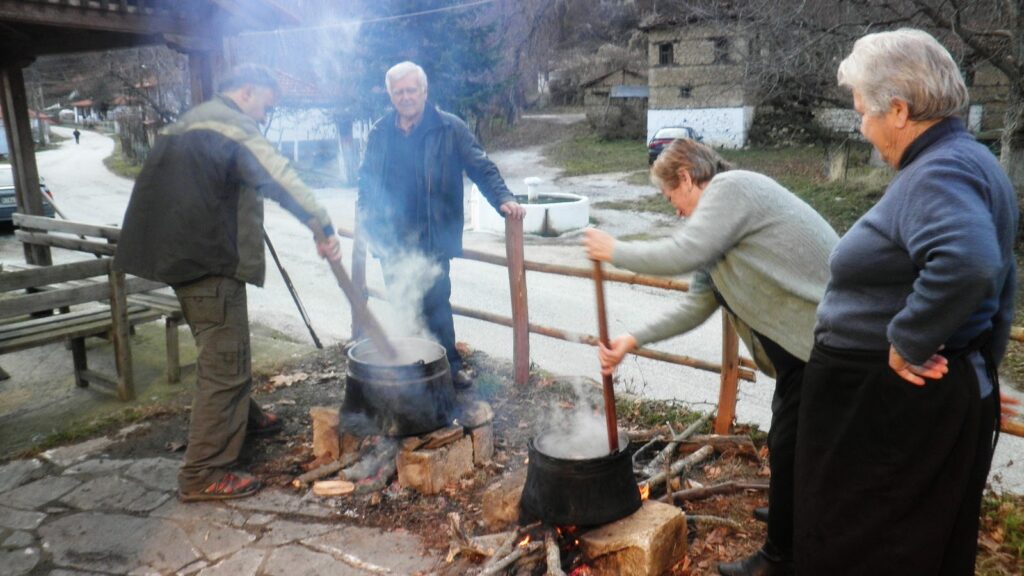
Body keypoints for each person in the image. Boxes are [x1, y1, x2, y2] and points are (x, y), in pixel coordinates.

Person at [793, 29, 1017, 575]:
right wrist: (979, 368)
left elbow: (971, 263)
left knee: (863, 548)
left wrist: (906, 340)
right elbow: (999, 281)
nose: (862, 130)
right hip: (924, 395)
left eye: (862, 113)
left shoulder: (938, 171)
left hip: (887, 402)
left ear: (898, 110)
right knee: (919, 544)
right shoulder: (971, 161)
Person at [584, 139, 838, 576]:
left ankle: (781, 558)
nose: (676, 211)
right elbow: (697, 304)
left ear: (685, 177)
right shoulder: (718, 228)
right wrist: (632, 339)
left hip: (826, 342)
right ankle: (790, 515)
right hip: (802, 352)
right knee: (790, 441)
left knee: (794, 444)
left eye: (671, 199)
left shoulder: (730, 189)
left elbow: (682, 253)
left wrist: (617, 251)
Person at [114, 64, 341, 502]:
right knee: (224, 363)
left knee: (224, 346)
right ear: (247, 92)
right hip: (207, 261)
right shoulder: (230, 124)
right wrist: (322, 224)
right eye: (265, 108)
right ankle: (204, 472)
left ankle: (244, 419)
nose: (264, 118)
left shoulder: (190, 120)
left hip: (180, 257)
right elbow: (277, 175)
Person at [358, 61, 525, 388]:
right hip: (393, 240)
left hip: (432, 237)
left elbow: (481, 166)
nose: (405, 97)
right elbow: (366, 182)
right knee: (403, 305)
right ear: (391, 95)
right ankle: (411, 371)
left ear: (424, 91)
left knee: (437, 307)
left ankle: (448, 369)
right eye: (398, 92)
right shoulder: (380, 131)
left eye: (410, 90)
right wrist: (368, 220)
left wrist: (503, 197)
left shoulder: (450, 128)